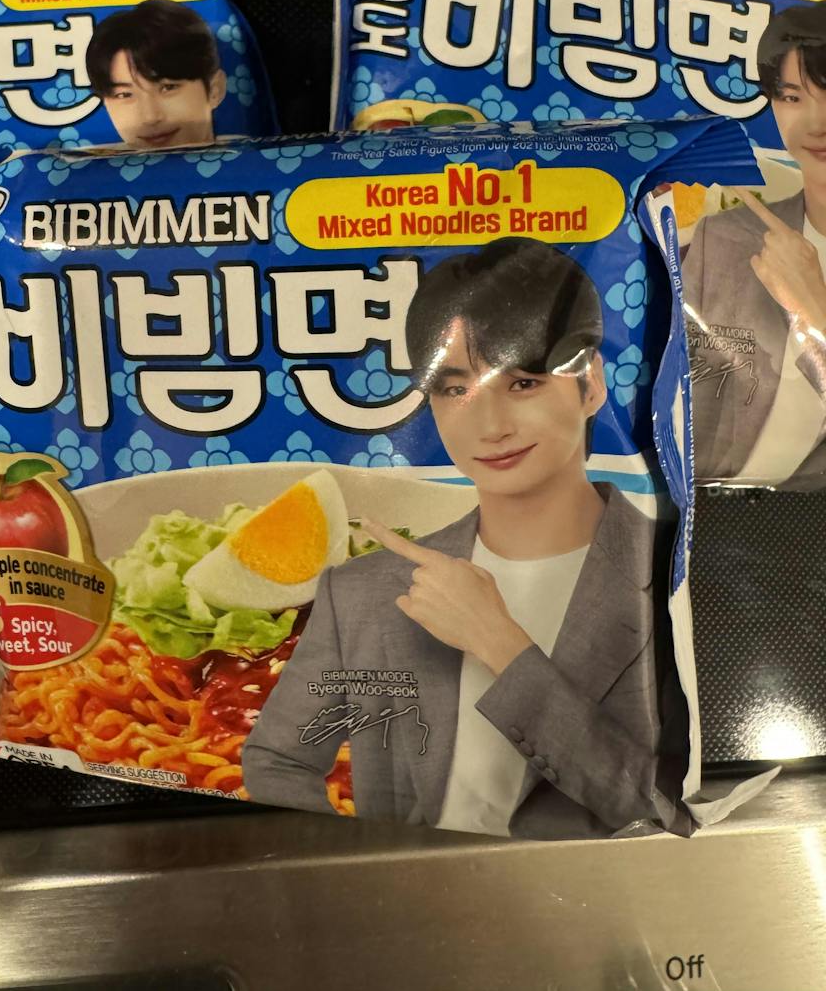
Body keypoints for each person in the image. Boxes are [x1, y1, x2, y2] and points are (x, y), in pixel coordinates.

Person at [242, 238, 687, 839]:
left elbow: (660, 807)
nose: (490, 425)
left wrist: (497, 642)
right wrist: (359, 872)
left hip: (595, 893)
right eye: (455, 390)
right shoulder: (364, 590)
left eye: (522, 382)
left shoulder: (671, 568)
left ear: (588, 384)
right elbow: (276, 761)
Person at [683, 1, 826, 486]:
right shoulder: (725, 237)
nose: (815, 121)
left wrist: (815, 312)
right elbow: (692, 407)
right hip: (719, 506)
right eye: (792, 97)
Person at [85, 0, 226, 148]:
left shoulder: (240, 152)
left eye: (168, 87)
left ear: (215, 90)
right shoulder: (91, 160)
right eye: (124, 95)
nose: (150, 117)